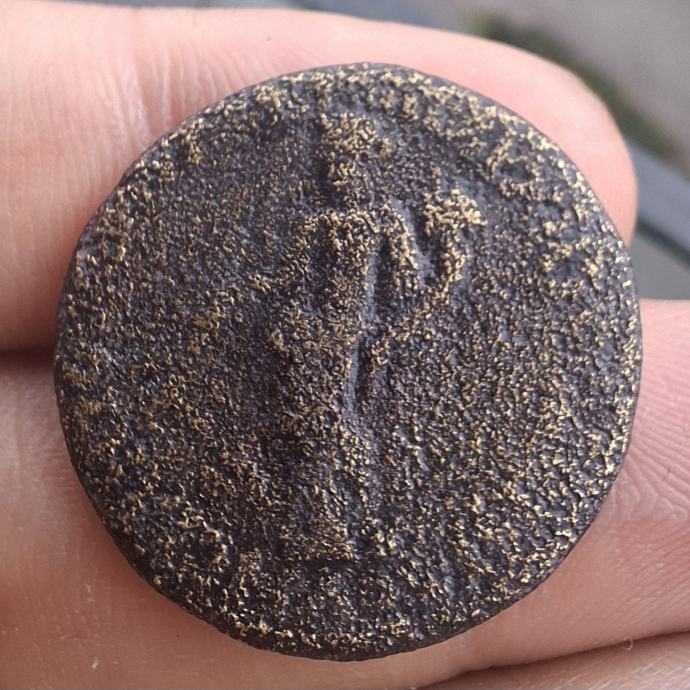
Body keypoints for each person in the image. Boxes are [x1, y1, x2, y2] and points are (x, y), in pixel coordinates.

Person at [2, 1, 688, 687]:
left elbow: (417, 289)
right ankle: (318, 521)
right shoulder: (317, 224)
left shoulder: (384, 223)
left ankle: (335, 524)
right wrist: (247, 306)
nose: (336, 172)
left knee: (325, 424)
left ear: (364, 165)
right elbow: (291, 281)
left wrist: (393, 322)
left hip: (344, 341)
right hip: (304, 338)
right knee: (301, 426)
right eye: (331, 162)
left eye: (345, 160)